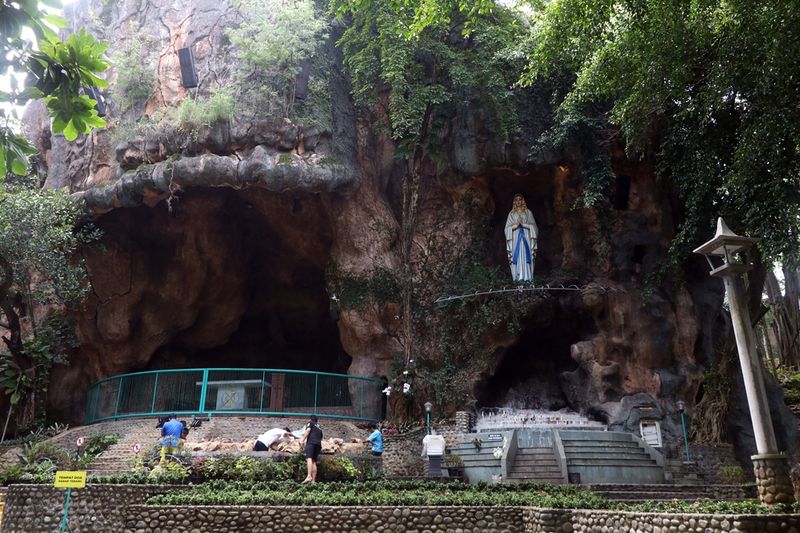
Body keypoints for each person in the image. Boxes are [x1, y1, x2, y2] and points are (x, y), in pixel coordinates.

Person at [504, 193, 539, 282]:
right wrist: (515, 226)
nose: (518, 201)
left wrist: (525, 225)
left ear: (522, 201)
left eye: (520, 199)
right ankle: (518, 277)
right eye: (516, 200)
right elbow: (506, 228)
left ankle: (528, 277)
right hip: (515, 237)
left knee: (526, 254)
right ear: (514, 202)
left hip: (526, 236)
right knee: (518, 255)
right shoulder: (511, 214)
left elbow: (535, 227)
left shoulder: (528, 212)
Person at [300, 415, 323, 483]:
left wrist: (302, 439)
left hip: (311, 443)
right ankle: (313, 480)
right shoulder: (319, 427)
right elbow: (321, 437)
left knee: (309, 458)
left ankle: (309, 476)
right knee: (313, 461)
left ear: (310, 419)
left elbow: (308, 430)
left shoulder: (310, 423)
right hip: (318, 445)